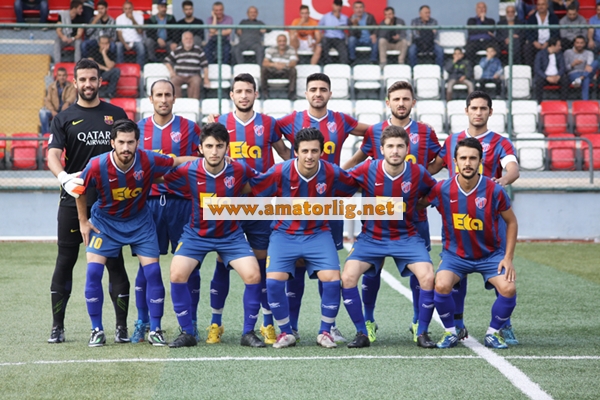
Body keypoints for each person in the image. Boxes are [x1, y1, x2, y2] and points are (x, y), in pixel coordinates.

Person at [75, 119, 196, 347]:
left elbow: (177, 161)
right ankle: (96, 330)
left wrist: (209, 161)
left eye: (130, 142)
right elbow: (79, 188)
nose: (126, 147)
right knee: (93, 272)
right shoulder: (96, 164)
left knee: (153, 273)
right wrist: (83, 221)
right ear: (112, 142)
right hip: (105, 224)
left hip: (140, 223)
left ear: (137, 143)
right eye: (121, 142)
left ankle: (155, 329)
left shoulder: (148, 159)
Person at [342, 80, 441, 343]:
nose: (401, 103)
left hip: (413, 221)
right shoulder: (374, 134)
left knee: (423, 275)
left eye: (406, 99)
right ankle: (367, 323)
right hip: (375, 225)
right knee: (368, 272)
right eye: (396, 99)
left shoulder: (425, 134)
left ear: (413, 102)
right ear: (388, 102)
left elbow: (440, 167)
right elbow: (351, 170)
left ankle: (419, 325)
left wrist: (418, 196)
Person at [276, 73, 369, 341]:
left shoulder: (340, 120)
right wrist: (288, 161)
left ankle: (329, 326)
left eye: (323, 89)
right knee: (295, 266)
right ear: (306, 93)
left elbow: (375, 134)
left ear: (330, 93)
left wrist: (347, 166)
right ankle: (292, 326)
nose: (318, 93)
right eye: (313, 89)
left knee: (327, 268)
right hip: (296, 203)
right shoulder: (291, 120)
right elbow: (266, 131)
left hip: (328, 203)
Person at [250, 127, 359, 348]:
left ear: (321, 152)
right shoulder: (279, 171)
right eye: (305, 151)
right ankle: (286, 332)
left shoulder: (332, 172)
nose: (309, 156)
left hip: (318, 233)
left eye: (314, 151)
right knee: (273, 282)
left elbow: (351, 187)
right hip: (284, 234)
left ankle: (325, 332)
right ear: (296, 152)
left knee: (332, 279)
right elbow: (255, 189)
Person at [46, 58, 130, 344]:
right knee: (65, 261)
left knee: (114, 262)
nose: (88, 84)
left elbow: (129, 151)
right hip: (73, 200)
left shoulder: (116, 114)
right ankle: (57, 326)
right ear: (75, 82)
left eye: (92, 79)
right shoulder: (63, 118)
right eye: (83, 79)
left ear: (100, 81)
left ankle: (121, 328)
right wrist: (63, 178)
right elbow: (52, 155)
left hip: (109, 203)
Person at [163, 122, 267, 349]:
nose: (214, 151)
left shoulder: (238, 169)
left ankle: (248, 333)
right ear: (200, 149)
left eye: (219, 146)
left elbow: (260, 182)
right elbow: (162, 178)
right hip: (196, 235)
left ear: (227, 148)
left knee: (253, 275)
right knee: (177, 273)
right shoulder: (189, 170)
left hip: (230, 236)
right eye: (209, 146)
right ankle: (187, 332)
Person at [428, 91, 520, 345]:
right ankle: (456, 325)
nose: (478, 112)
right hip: (457, 217)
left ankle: (503, 325)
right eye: (474, 108)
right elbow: (433, 168)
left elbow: (513, 169)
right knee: (454, 276)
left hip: (489, 217)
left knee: (502, 275)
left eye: (483, 108)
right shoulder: (452, 141)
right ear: (466, 110)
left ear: (490, 112)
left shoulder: (500, 142)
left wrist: (501, 181)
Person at [206, 73, 291, 346]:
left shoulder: (268, 123)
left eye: (248, 91)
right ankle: (216, 323)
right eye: (239, 91)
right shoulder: (219, 123)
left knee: (261, 264)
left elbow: (286, 155)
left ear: (256, 94)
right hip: (228, 204)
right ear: (231, 95)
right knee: (222, 262)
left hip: (260, 205)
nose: (243, 95)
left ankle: (266, 324)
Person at [131, 79, 201, 344]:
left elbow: (202, 160)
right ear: (150, 99)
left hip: (183, 204)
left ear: (174, 98)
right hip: (149, 205)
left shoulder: (190, 128)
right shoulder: (139, 129)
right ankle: (143, 322)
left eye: (167, 95)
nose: (163, 99)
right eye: (158, 95)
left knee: (190, 266)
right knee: (146, 267)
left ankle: (191, 323)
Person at [164, 31, 210, 101]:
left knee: (196, 81)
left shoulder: (198, 50)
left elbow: (205, 65)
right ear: (182, 40)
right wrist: (171, 72)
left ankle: (193, 103)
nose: (188, 40)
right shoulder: (177, 50)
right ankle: (177, 103)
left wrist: (206, 78)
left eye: (190, 38)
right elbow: (167, 61)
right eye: (186, 38)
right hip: (179, 76)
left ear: (193, 40)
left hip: (193, 76)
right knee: (173, 82)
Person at [39, 67, 76, 134]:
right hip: (54, 110)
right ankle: (46, 135)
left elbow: (73, 97)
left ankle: (71, 133)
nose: (62, 77)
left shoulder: (71, 86)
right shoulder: (51, 86)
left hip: (66, 110)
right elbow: (47, 100)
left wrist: (67, 103)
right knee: (42, 112)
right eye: (60, 75)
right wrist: (52, 110)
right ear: (57, 77)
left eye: (63, 75)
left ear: (66, 76)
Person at [261, 34, 298, 100]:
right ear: (277, 42)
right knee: (264, 69)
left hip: (285, 71)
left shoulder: (291, 49)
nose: (282, 43)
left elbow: (293, 63)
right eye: (280, 41)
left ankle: (291, 93)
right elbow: (265, 63)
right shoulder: (271, 49)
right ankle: (264, 93)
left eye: (284, 41)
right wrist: (274, 64)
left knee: (293, 70)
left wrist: (285, 65)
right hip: (273, 71)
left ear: (286, 42)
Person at [524, 0, 560, 68]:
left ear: (547, 5)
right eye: (539, 5)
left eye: (543, 4)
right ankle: (530, 70)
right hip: (536, 43)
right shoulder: (532, 18)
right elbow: (528, 32)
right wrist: (534, 42)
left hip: (550, 43)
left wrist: (548, 42)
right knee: (527, 48)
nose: (541, 6)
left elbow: (556, 32)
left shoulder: (553, 17)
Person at [534, 36, 568, 102]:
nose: (560, 47)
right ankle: (539, 103)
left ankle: (563, 102)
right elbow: (537, 69)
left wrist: (558, 76)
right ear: (552, 46)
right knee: (538, 81)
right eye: (558, 46)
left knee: (565, 79)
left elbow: (562, 67)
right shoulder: (540, 54)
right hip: (545, 77)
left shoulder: (560, 54)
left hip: (556, 76)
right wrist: (546, 77)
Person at [564, 35, 597, 100]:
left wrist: (588, 65)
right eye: (577, 43)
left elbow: (590, 66)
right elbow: (565, 68)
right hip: (574, 73)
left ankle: (581, 78)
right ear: (574, 43)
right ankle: (585, 102)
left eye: (581, 43)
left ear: (585, 44)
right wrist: (573, 64)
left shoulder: (589, 53)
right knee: (586, 79)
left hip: (585, 72)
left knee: (596, 62)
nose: (579, 45)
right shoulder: (567, 52)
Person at [465, 2, 497, 68]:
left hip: (487, 42)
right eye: (479, 7)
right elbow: (471, 31)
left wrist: (483, 20)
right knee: (469, 50)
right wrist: (486, 31)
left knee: (496, 49)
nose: (481, 9)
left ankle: (493, 69)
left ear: (486, 9)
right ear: (476, 10)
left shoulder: (491, 21)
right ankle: (471, 70)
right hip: (474, 42)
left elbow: (491, 31)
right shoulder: (471, 20)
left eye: (483, 7)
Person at [115, 1, 145, 67]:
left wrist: (132, 19)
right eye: (126, 9)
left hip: (136, 41)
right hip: (124, 41)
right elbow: (119, 34)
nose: (128, 10)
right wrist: (125, 44)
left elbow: (140, 31)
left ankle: (139, 69)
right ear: (123, 9)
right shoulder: (119, 18)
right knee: (118, 46)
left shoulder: (139, 17)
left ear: (132, 8)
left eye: (129, 8)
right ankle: (120, 68)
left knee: (141, 48)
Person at [319, 0, 349, 65]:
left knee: (344, 52)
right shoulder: (326, 17)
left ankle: (344, 66)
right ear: (333, 5)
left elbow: (348, 27)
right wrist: (321, 35)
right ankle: (327, 64)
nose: (338, 7)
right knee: (323, 44)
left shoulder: (344, 17)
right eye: (336, 5)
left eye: (339, 5)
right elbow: (319, 28)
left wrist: (338, 18)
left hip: (339, 39)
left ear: (341, 7)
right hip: (328, 38)